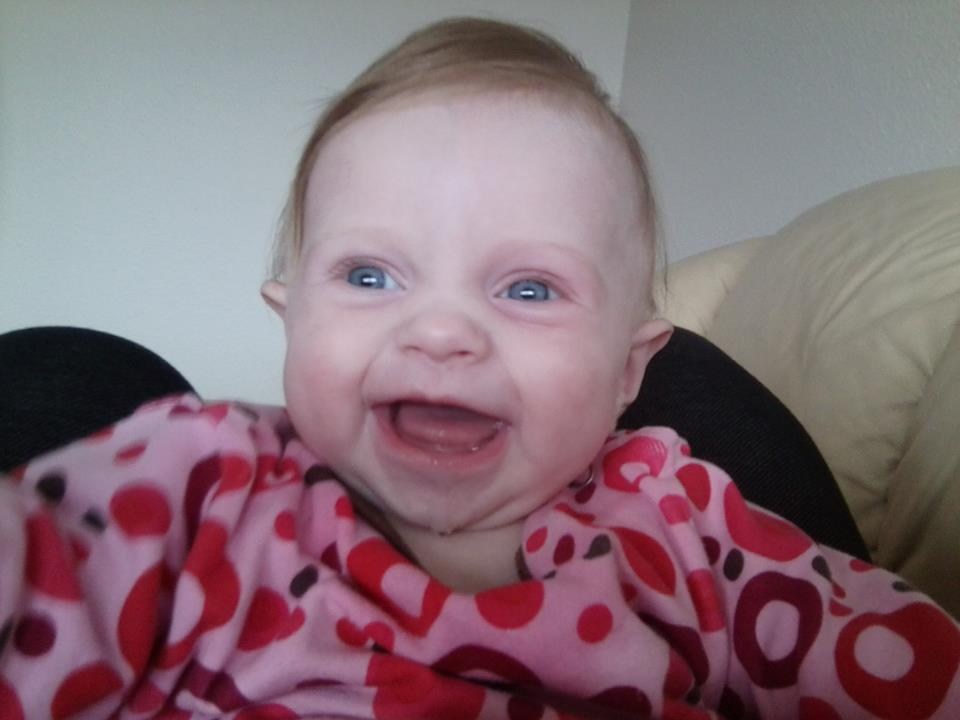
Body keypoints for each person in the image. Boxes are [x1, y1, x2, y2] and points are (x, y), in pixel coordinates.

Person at [1, 17, 956, 720]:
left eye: (530, 289)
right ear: (289, 321)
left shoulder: (678, 520)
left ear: (631, 372)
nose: (441, 330)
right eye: (369, 275)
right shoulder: (207, 482)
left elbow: (899, 662)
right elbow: (48, 564)